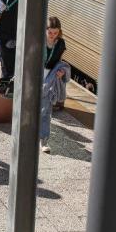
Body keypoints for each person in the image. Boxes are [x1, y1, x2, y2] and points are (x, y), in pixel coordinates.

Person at [40, 16, 67, 154]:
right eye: (50, 32)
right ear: (45, 30)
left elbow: (60, 61)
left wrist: (62, 71)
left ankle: (43, 140)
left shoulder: (61, 43)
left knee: (46, 111)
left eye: (56, 33)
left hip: (50, 78)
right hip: (35, 75)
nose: (52, 36)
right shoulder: (38, 40)